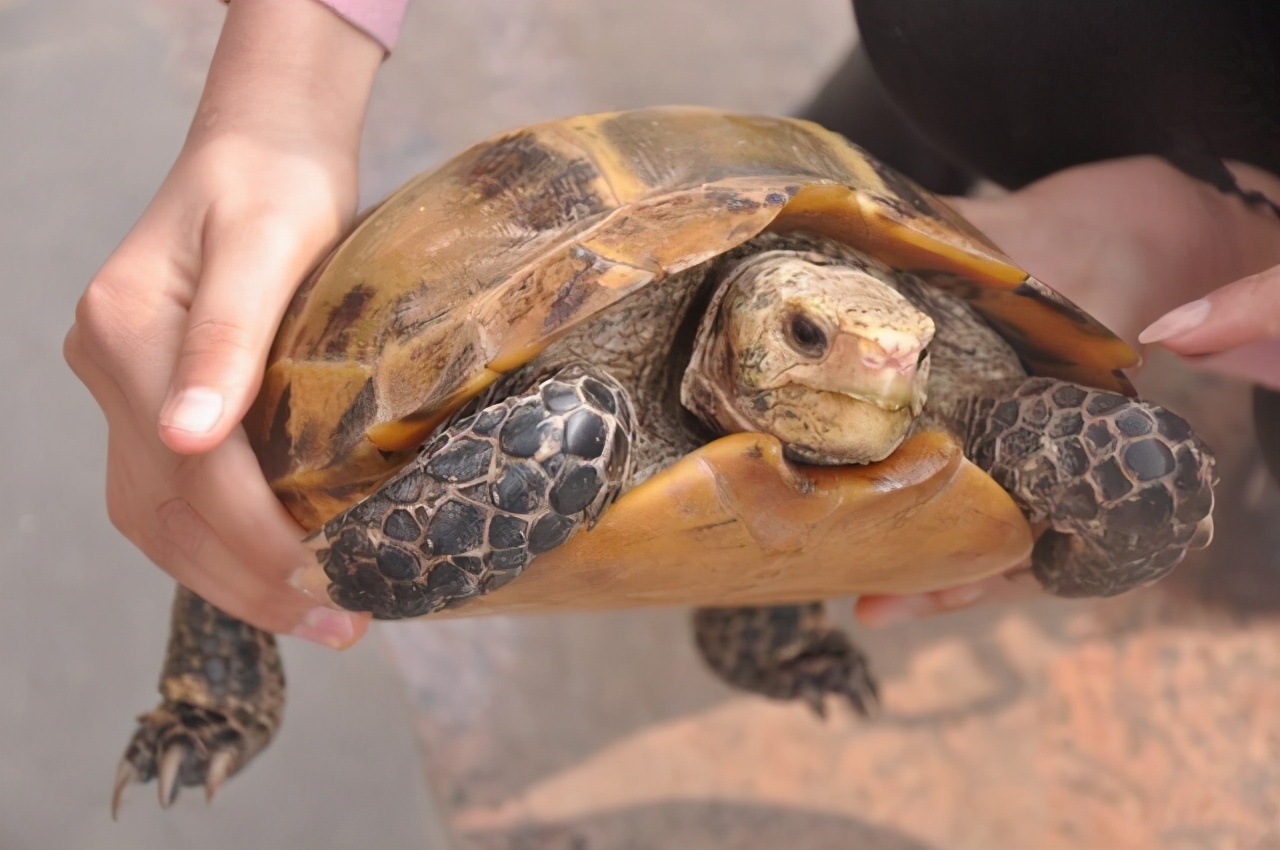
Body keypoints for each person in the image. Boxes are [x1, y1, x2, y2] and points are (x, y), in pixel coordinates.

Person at [64, 0, 1280, 646]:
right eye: (813, 336)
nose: (880, 367)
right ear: (739, 323)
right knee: (570, 422)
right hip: (983, 86)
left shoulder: (904, 347)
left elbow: (1102, 460)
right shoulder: (572, 410)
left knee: (1140, 468)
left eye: (904, 351)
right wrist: (282, 88)